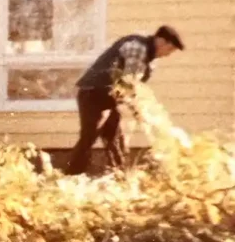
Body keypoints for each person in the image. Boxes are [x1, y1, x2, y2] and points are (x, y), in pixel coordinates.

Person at [67, 25, 184, 175]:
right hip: (93, 92)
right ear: (160, 41)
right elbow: (129, 83)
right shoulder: (138, 48)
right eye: (169, 49)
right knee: (90, 136)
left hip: (110, 97)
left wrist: (139, 111)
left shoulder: (150, 62)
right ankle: (70, 176)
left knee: (115, 139)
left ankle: (120, 177)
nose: (167, 55)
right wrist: (138, 110)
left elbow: (135, 90)